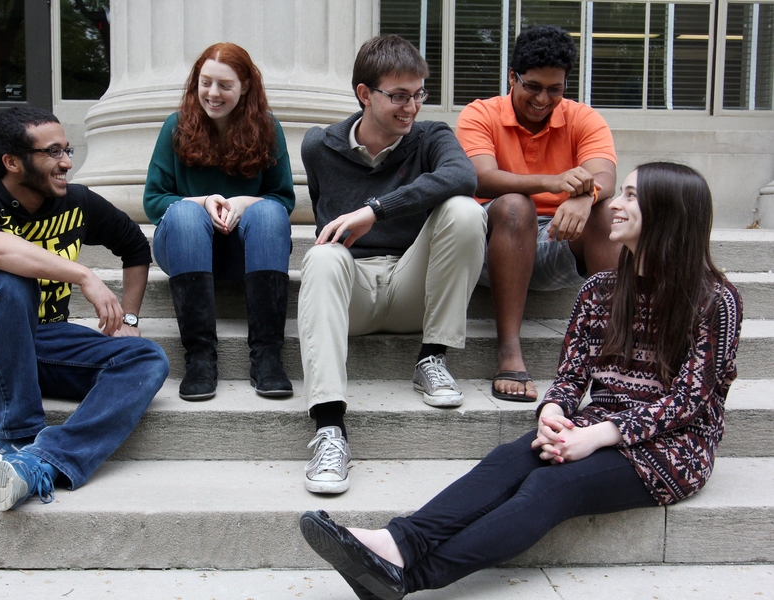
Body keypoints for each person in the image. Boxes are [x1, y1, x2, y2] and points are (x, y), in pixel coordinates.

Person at [299, 162, 743, 599]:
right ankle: (399, 543)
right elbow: (571, 378)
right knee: (509, 458)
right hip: (595, 425)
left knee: (550, 487)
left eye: (631, 196)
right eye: (621, 193)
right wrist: (553, 412)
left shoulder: (715, 301)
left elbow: (689, 401)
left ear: (667, 213)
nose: (615, 206)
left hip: (675, 448)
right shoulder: (600, 290)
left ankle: (409, 579)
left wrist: (597, 438)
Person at [0, 107, 170, 512]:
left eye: (67, 149)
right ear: (12, 161)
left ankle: (41, 461)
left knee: (147, 358)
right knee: (10, 277)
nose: (66, 162)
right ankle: (15, 437)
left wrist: (128, 320)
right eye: (53, 152)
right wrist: (83, 275)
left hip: (41, 342)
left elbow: (134, 247)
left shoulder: (76, 203)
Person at [298, 35, 486, 495]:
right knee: (321, 256)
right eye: (399, 95)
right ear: (365, 94)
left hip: (413, 287)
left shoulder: (431, 137)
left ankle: (432, 357)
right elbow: (327, 220)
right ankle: (329, 430)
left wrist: (375, 210)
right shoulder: (319, 146)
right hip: (353, 295)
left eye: (419, 94)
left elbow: (465, 176)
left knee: (465, 209)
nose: (412, 107)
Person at [455, 25, 620, 402]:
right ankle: (509, 351)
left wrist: (584, 197)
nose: (543, 99)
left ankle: (616, 355)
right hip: (492, 244)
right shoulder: (480, 114)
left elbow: (605, 175)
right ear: (512, 77)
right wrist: (555, 182)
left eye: (555, 89)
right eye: (532, 86)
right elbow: (480, 178)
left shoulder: (583, 118)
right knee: (516, 205)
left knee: (607, 213)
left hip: (556, 241)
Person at [144, 42, 295, 401]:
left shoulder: (267, 128)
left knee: (269, 211)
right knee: (183, 212)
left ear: (245, 86)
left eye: (225, 85)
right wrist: (202, 201)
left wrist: (244, 202)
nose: (213, 93)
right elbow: (153, 201)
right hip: (185, 248)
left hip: (245, 251)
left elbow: (284, 198)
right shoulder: (176, 126)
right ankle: (199, 358)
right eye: (205, 82)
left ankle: (267, 357)